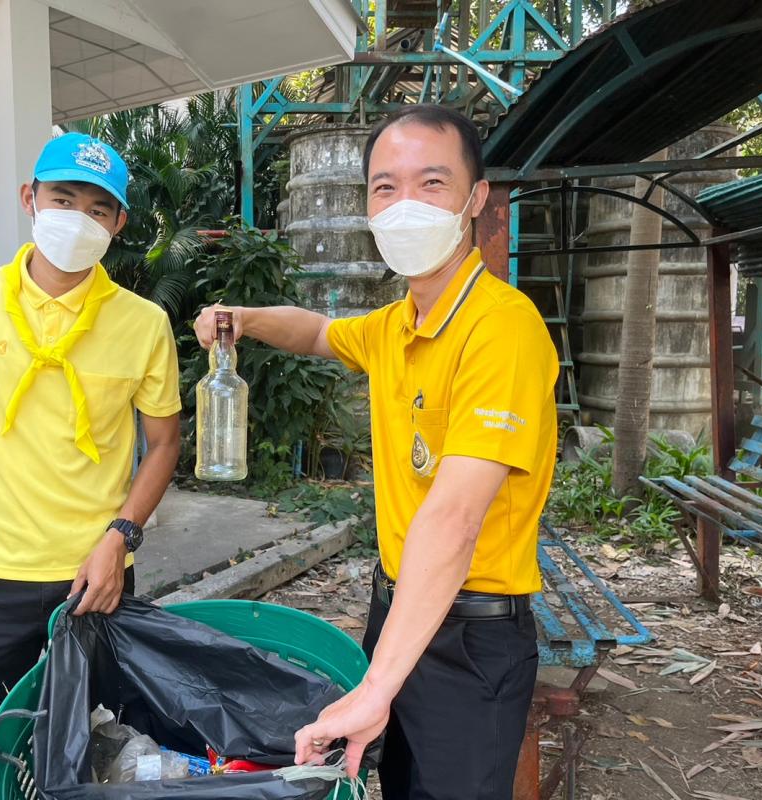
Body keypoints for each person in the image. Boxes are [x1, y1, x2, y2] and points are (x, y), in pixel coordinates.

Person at [193, 105, 558, 800]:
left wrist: (375, 688)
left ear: (476, 198)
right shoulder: (395, 326)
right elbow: (317, 333)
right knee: (400, 784)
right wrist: (243, 319)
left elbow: (454, 519)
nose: (405, 205)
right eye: (385, 187)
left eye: (432, 183)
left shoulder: (501, 329)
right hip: (397, 611)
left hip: (471, 635)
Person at [0, 133, 181, 799]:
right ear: (30, 198)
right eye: (63, 198)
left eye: (98, 208)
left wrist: (121, 538)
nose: (79, 219)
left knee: (87, 757)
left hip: (95, 580)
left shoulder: (143, 323)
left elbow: (165, 442)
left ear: (118, 223)